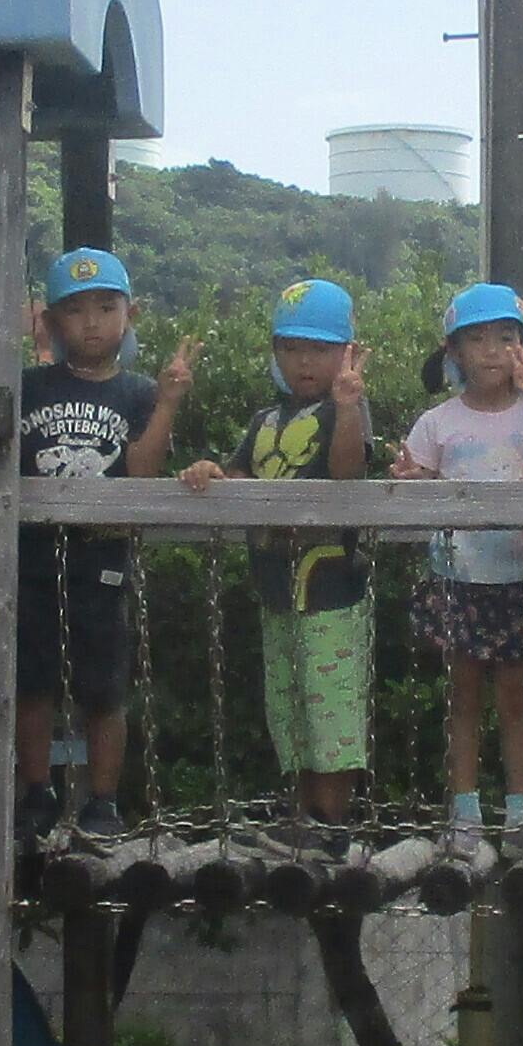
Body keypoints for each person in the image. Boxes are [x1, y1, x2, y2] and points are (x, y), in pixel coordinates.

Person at [178, 276, 377, 823]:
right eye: (291, 348)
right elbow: (241, 475)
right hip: (276, 593)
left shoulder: (347, 408)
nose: (304, 362)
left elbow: (348, 474)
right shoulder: (264, 421)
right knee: (289, 709)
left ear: (346, 352)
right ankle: (301, 816)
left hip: (332, 592)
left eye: (319, 349)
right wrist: (212, 471)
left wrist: (348, 407)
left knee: (331, 711)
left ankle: (332, 820)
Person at [6, 247, 188, 840]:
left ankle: (103, 800)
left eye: (106, 308)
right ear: (52, 322)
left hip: (103, 555)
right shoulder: (28, 386)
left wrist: (167, 404)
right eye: (76, 310)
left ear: (130, 314)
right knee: (32, 683)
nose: (91, 323)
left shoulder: (137, 392)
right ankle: (37, 790)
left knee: (105, 688)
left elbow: (143, 472)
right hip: (33, 555)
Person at [396, 279, 523, 833]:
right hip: (456, 578)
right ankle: (464, 812)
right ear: (455, 351)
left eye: (506, 337)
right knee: (462, 700)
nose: (493, 351)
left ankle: (519, 812)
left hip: (521, 575)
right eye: (478, 339)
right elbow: (417, 482)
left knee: (516, 702)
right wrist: (411, 480)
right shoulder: (437, 422)